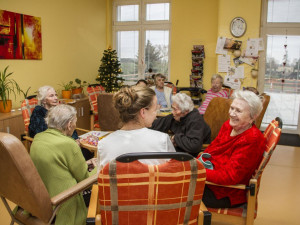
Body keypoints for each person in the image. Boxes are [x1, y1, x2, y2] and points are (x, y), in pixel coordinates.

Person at [30, 104, 97, 225]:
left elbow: (57, 164)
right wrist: (98, 166)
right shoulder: (69, 144)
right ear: (69, 124)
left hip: (42, 198)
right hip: (64, 201)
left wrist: (85, 163)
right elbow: (86, 181)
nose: (75, 126)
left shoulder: (38, 138)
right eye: (75, 122)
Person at [200, 90, 265, 208]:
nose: (232, 113)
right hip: (210, 179)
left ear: (252, 117)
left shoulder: (252, 139)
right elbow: (211, 150)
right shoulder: (228, 126)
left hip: (225, 192)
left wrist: (197, 172)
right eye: (232, 108)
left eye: (238, 111)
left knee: (176, 189)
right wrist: (197, 163)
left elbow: (231, 177)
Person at [97, 86, 175, 171]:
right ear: (143, 112)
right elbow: (174, 174)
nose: (155, 114)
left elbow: (102, 180)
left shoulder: (104, 145)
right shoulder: (162, 140)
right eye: (155, 109)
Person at [28, 85, 93, 160]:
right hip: (53, 145)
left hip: (66, 142)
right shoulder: (38, 111)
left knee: (87, 153)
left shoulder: (58, 109)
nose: (55, 98)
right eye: (51, 96)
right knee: (80, 157)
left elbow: (70, 125)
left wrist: (75, 139)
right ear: (44, 100)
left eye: (56, 95)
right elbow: (40, 132)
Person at [151, 93, 211, 157]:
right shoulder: (176, 116)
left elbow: (194, 145)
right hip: (182, 152)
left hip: (195, 155)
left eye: (175, 109)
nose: (172, 112)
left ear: (186, 111)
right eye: (172, 108)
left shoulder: (196, 120)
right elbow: (157, 124)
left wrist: (175, 138)